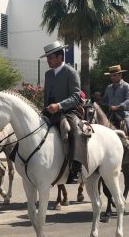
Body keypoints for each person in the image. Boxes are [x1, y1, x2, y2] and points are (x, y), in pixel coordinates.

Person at [40, 41, 87, 184]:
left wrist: (59, 106)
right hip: (49, 112)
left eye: (51, 57)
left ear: (60, 57)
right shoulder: (48, 74)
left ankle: (75, 169)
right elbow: (46, 95)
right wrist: (45, 109)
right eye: (47, 58)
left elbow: (76, 96)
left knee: (74, 132)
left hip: (68, 112)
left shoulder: (71, 72)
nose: (48, 60)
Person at [101, 65, 129, 149]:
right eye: (111, 76)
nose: (112, 77)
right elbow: (105, 101)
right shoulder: (109, 88)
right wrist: (99, 99)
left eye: (114, 75)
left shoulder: (126, 86)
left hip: (125, 113)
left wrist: (118, 107)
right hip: (111, 114)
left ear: (120, 75)